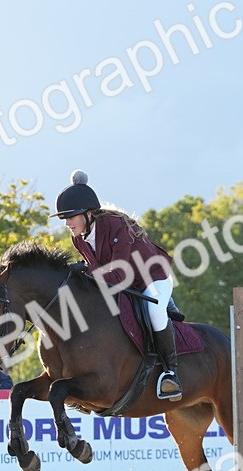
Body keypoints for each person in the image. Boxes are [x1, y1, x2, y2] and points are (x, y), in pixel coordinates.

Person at [51, 169, 182, 401]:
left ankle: (171, 372)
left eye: (71, 217)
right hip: (121, 283)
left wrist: (87, 273)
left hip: (151, 278)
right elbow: (99, 271)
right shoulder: (78, 238)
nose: (67, 223)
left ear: (89, 214)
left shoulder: (115, 226)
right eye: (65, 219)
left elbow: (119, 272)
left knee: (154, 311)